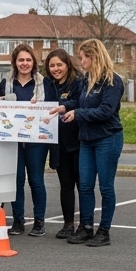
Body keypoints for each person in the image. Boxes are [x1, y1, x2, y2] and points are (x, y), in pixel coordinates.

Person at [51, 38, 125, 247]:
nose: (80, 61)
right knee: (84, 185)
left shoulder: (112, 81)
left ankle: (104, 231)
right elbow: (79, 102)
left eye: (83, 58)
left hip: (107, 138)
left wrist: (78, 113)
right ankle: (85, 227)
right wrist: (65, 107)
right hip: (87, 139)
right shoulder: (86, 80)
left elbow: (105, 111)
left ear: (93, 57)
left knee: (106, 187)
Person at [0, 43, 48, 236]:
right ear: (14, 62)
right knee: (16, 182)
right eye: (21, 60)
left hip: (36, 143)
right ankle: (18, 221)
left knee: (36, 181)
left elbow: (53, 112)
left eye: (28, 60)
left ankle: (39, 222)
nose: (25, 63)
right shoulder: (6, 83)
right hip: (12, 142)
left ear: (34, 62)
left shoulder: (43, 83)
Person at [44, 48, 82, 240]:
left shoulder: (78, 82)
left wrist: (65, 105)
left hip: (77, 141)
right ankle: (68, 224)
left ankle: (85, 225)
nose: (56, 69)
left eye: (59, 64)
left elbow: (80, 102)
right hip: (57, 143)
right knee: (65, 185)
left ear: (67, 64)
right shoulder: (47, 83)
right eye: (52, 65)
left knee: (82, 185)